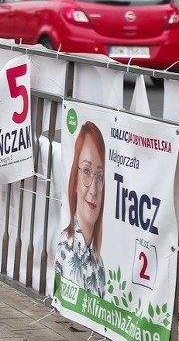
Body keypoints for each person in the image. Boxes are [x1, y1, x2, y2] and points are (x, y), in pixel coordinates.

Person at [55, 120, 106, 298]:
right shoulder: (65, 248)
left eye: (99, 176)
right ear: (75, 180)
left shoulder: (99, 264)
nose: (93, 189)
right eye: (86, 171)